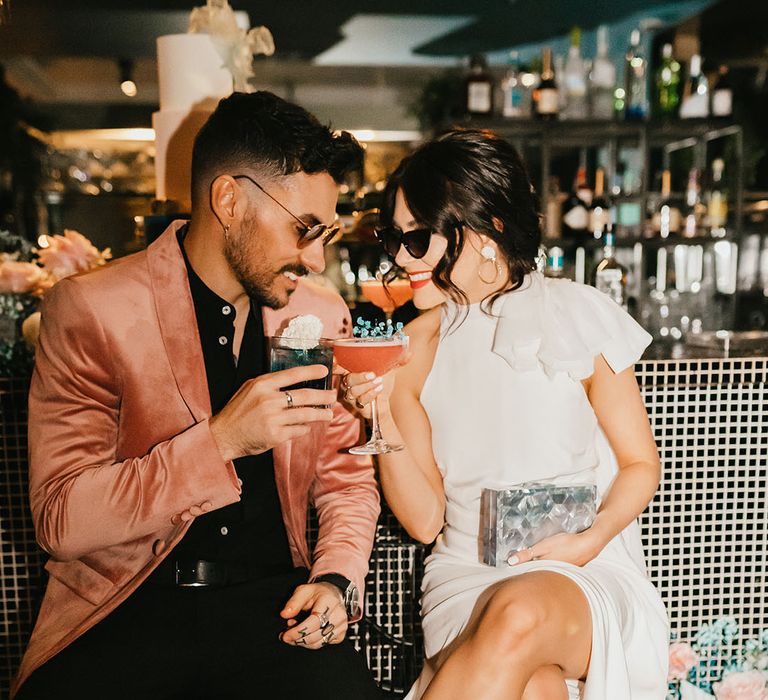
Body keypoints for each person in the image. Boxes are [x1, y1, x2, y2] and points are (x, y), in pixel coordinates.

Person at [13, 91, 383, 699]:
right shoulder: (94, 308)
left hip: (275, 610)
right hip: (125, 607)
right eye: (304, 229)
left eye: (327, 233)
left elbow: (344, 478)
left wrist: (337, 578)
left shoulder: (315, 314)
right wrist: (221, 442)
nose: (317, 259)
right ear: (230, 201)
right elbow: (61, 520)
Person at [341, 129, 669, 699]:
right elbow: (423, 521)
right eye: (392, 237)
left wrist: (590, 540)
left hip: (586, 569)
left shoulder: (579, 314)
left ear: (486, 230)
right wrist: (379, 417)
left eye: (417, 239)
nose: (397, 256)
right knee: (539, 689)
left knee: (517, 615)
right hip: (464, 580)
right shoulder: (411, 351)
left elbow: (642, 464)